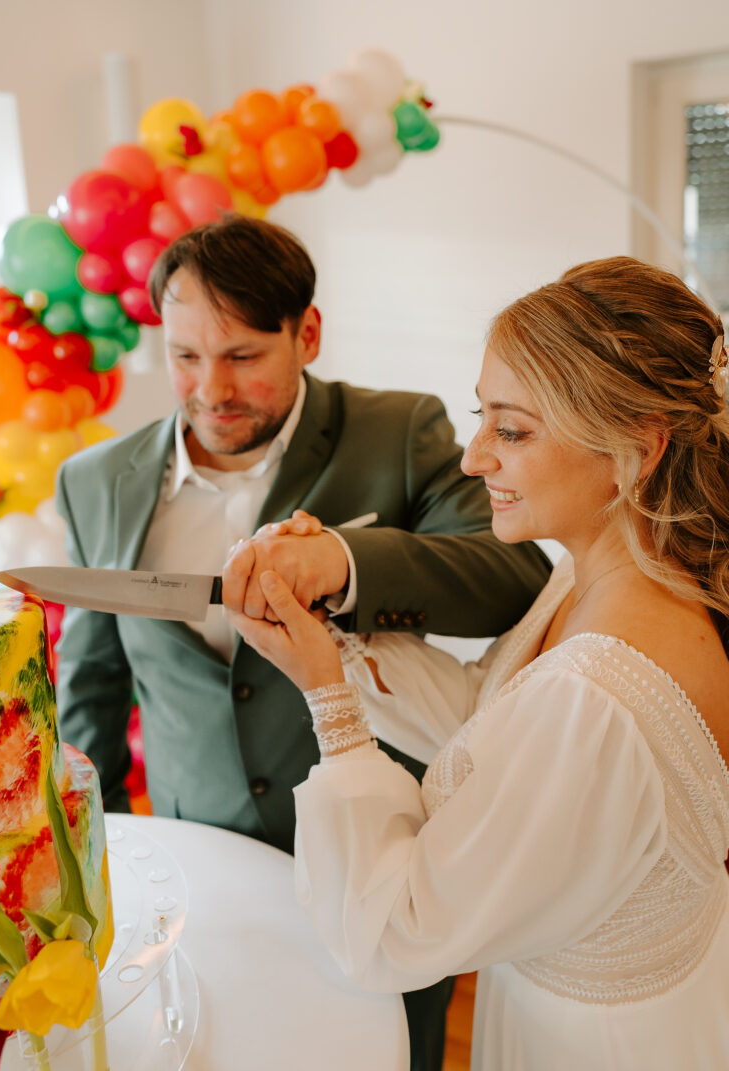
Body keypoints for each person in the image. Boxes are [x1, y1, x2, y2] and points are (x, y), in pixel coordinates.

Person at [54, 215, 551, 1071]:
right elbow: (93, 683)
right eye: (184, 356)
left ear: (306, 332)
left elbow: (512, 578)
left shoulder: (398, 432)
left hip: (378, 857)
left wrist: (345, 558)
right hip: (198, 884)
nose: (211, 388)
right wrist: (79, 875)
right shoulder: (92, 479)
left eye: (244, 355)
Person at [226, 255, 729, 1070]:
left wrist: (328, 698)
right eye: (481, 418)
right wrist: (336, 637)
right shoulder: (604, 577)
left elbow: (394, 929)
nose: (473, 457)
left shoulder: (598, 694)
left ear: (635, 451)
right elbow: (494, 716)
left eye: (513, 429)